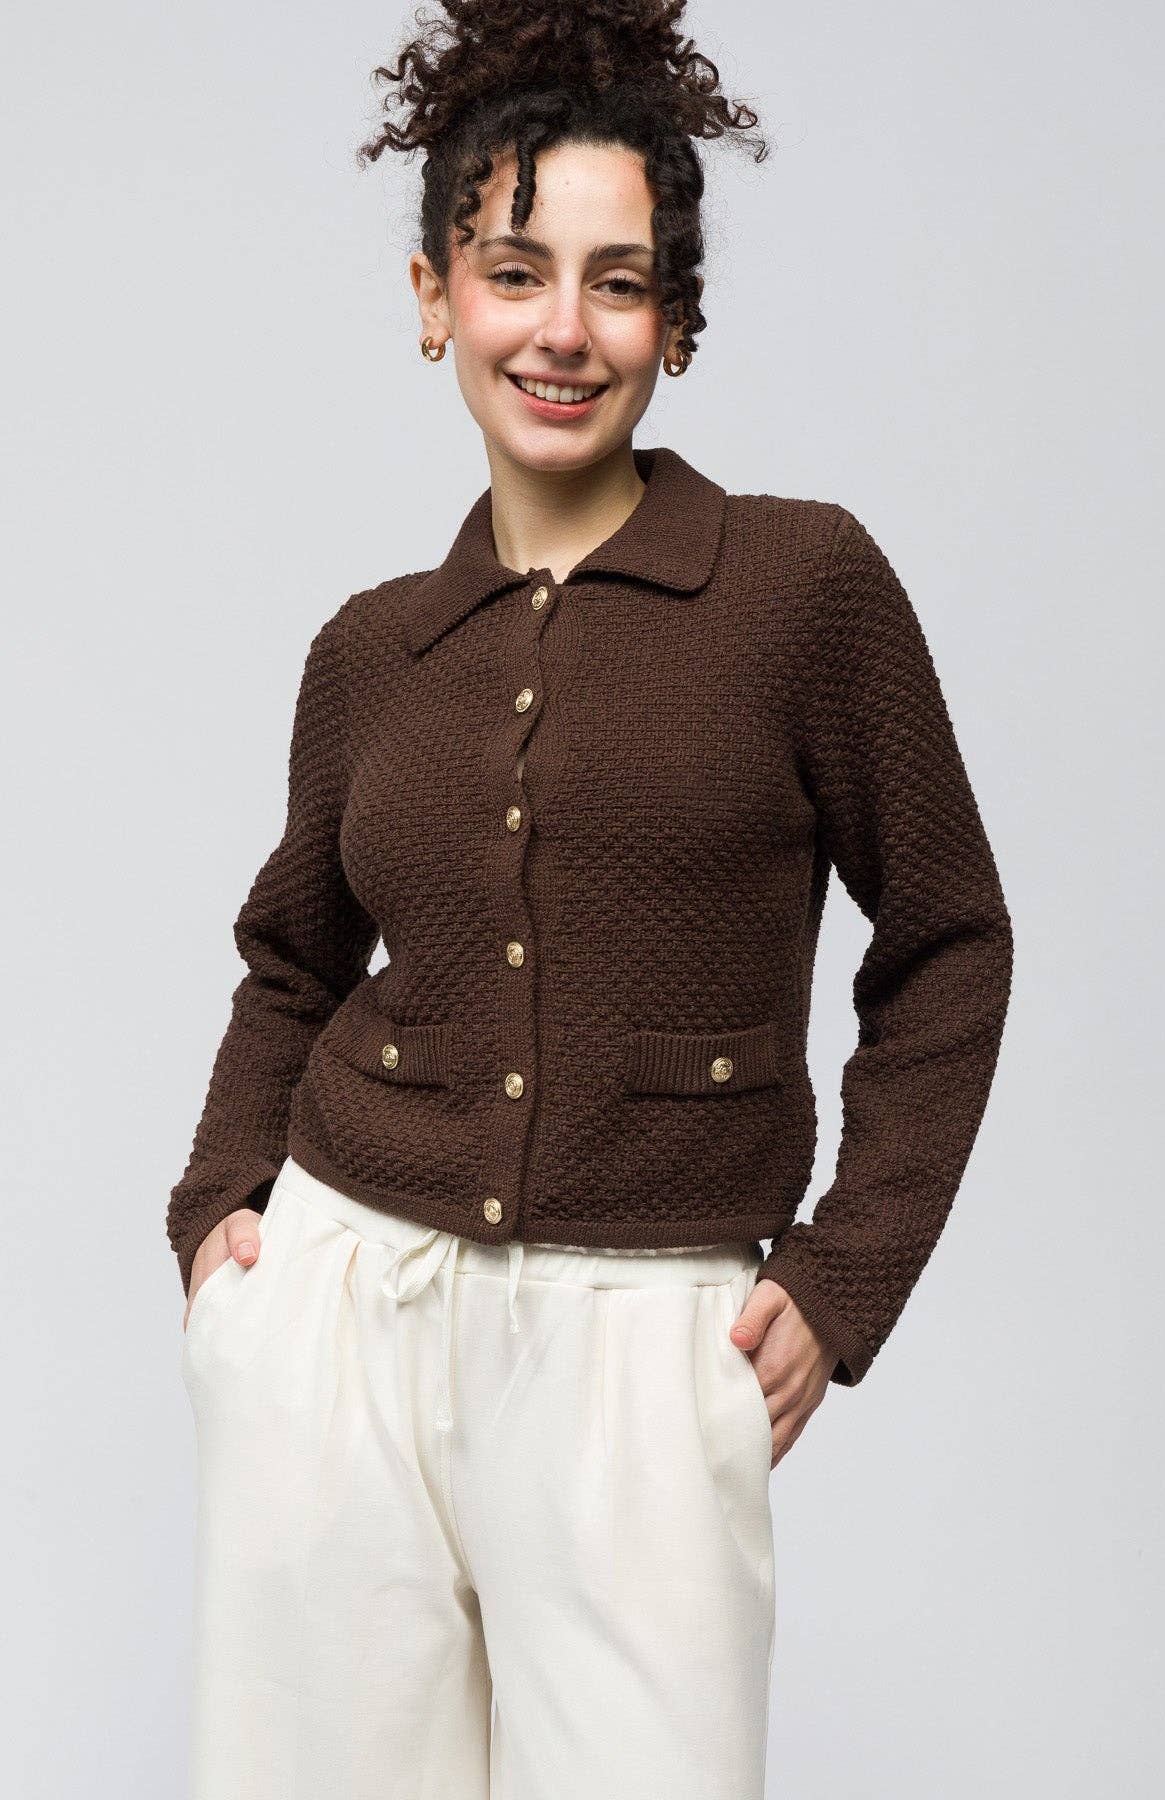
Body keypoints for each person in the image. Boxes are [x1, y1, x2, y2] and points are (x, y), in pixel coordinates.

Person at [166, 3, 1014, 1796]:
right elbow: (289, 960)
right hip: (337, 1321)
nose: (562, 329)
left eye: (618, 285)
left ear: (675, 323)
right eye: (513, 271)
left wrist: (846, 1272)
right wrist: (220, 1223)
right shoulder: (374, 650)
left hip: (643, 1345)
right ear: (433, 298)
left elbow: (949, 943)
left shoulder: (802, 588)